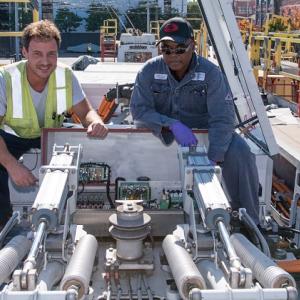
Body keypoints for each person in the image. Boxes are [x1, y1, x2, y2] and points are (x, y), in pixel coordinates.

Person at [130, 17, 260, 224]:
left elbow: (223, 118)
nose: (173, 55)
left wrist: (213, 159)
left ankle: (249, 221)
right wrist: (170, 123)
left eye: (180, 48)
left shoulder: (211, 74)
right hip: (162, 132)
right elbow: (138, 110)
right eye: (166, 49)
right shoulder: (149, 71)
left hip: (204, 134)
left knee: (241, 151)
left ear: (192, 45)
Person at [0, 20, 108, 226]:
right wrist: (12, 165)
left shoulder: (64, 75)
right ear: (24, 52)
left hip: (51, 134)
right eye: (37, 54)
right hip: (13, 135)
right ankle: (3, 228)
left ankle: (70, 220)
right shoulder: (5, 78)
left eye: (51, 54)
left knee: (71, 167)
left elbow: (85, 111)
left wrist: (95, 122)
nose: (45, 61)